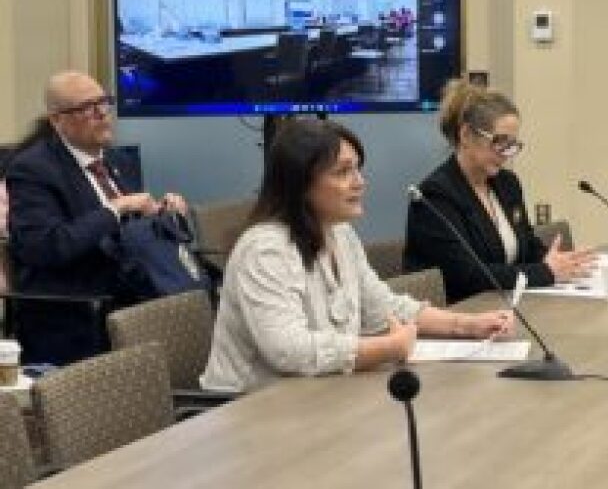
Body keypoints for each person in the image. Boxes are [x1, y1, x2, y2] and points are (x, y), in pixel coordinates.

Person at [200, 119, 515, 392]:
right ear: (300, 183)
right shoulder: (265, 250)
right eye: (343, 172)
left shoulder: (339, 233)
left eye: (358, 169)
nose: (360, 182)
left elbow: (383, 308)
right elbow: (287, 350)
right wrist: (386, 348)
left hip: (318, 394)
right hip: (250, 409)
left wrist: (466, 326)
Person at [5, 71, 188, 363]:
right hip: (77, 308)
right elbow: (48, 247)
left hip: (133, 292)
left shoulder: (117, 161)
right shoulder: (33, 170)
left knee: (195, 305)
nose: (102, 113)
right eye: (87, 108)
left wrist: (163, 214)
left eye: (104, 102)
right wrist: (117, 209)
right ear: (57, 120)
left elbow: (132, 234)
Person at [404, 79, 594, 303]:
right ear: (466, 135)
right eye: (500, 142)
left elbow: (527, 246)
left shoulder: (507, 183)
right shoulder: (435, 195)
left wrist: (559, 262)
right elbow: (467, 276)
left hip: (506, 305)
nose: (507, 153)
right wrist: (545, 272)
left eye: (513, 145)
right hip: (459, 314)